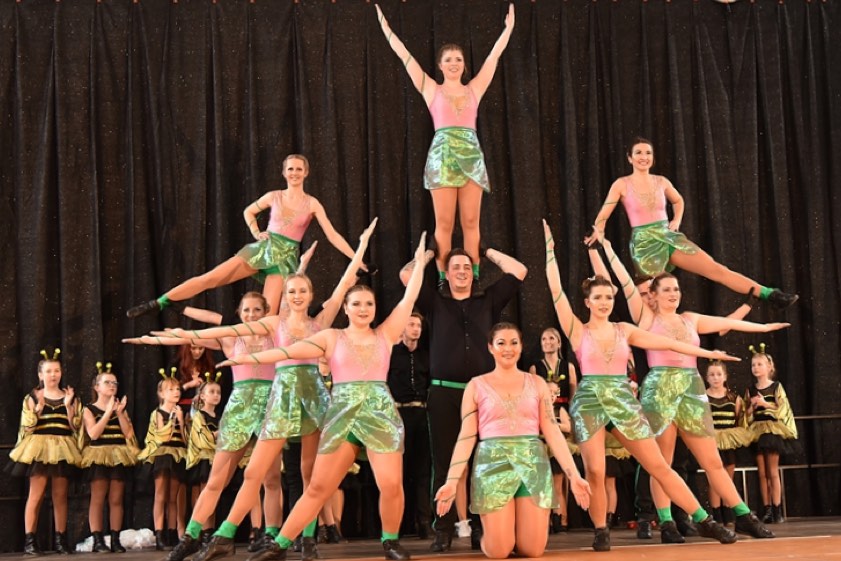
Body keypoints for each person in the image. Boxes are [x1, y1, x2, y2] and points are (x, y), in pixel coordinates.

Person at [149, 220, 375, 561]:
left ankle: (306, 539)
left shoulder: (320, 322)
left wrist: (359, 249)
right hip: (276, 398)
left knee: (308, 473)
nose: (296, 295)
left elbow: (344, 285)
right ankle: (211, 535)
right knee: (247, 473)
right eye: (291, 291)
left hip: (312, 397)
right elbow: (216, 331)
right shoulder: (275, 324)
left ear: (311, 295)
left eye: (302, 291)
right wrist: (174, 335)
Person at [201, 232, 429, 561]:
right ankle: (280, 544)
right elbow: (288, 352)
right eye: (356, 304)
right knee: (319, 486)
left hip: (379, 413)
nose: (363, 308)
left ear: (375, 309)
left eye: (369, 304)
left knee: (392, 484)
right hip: (342, 414)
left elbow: (409, 298)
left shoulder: (386, 333)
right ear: (346, 308)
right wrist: (245, 359)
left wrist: (419, 264)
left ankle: (390, 542)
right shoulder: (331, 336)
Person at [543, 220, 739, 552]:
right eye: (598, 297)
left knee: (659, 465)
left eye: (609, 297)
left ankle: (705, 520)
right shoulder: (577, 330)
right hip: (590, 400)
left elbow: (671, 344)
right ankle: (601, 530)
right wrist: (550, 252)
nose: (605, 302)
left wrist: (709, 353)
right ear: (587, 302)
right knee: (595, 470)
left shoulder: (625, 329)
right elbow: (556, 292)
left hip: (622, 398)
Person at [596, 234, 783, 541]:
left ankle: (743, 516)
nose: (673, 293)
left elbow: (728, 323)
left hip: (692, 389)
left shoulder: (690, 319)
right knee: (663, 462)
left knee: (712, 461)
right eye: (666, 289)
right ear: (653, 295)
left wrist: (763, 327)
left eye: (677, 289)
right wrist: (606, 247)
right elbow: (625, 282)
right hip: (660, 390)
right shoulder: (645, 318)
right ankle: (667, 523)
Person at [398, 245, 527, 551]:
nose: (461, 271)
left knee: (484, 461)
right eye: (455, 267)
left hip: (484, 394)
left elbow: (519, 271)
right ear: (446, 273)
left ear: (474, 273)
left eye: (467, 267)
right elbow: (406, 274)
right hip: (445, 393)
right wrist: (430, 256)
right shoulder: (434, 301)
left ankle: (483, 527)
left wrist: (487, 251)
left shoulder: (488, 300)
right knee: (444, 462)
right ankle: (442, 529)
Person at [127, 154, 363, 318]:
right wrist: (256, 232)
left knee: (267, 316)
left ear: (306, 173)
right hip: (263, 249)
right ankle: (159, 302)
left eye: (298, 169)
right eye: (290, 169)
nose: (294, 173)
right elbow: (248, 211)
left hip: (285, 259)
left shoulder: (312, 203)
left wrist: (357, 260)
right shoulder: (273, 196)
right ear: (284, 172)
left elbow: (332, 235)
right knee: (210, 278)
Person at [376, 4, 515, 283]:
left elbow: (494, 56)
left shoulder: (475, 88)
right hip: (442, 157)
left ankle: (474, 276)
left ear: (464, 65)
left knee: (471, 222)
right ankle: (443, 277)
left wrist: (508, 29)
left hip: (471, 156)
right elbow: (405, 57)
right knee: (445, 223)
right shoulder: (431, 89)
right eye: (448, 59)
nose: (454, 63)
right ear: (440, 65)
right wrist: (386, 29)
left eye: (458, 59)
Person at [433, 323, 591, 558]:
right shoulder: (476, 385)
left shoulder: (537, 383)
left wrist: (574, 475)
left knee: (532, 550)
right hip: (492, 464)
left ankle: (517, 534)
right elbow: (466, 436)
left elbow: (552, 431)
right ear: (490, 347)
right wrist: (451, 481)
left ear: (521, 346)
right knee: (499, 551)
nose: (508, 348)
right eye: (501, 343)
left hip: (532, 463)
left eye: (514, 342)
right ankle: (495, 537)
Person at [584, 138, 797, 308]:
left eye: (648, 153)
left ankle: (770, 295)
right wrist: (598, 232)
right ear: (629, 158)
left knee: (716, 269)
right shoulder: (621, 184)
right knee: (656, 297)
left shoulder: (661, 181)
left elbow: (678, 201)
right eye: (638, 153)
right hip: (645, 244)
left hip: (668, 236)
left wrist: (676, 220)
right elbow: (603, 215)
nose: (644, 157)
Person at [9, 349, 82, 556]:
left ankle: (61, 540)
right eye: (48, 371)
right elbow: (28, 427)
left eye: (56, 371)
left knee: (60, 496)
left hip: (62, 448)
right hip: (40, 448)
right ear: (40, 374)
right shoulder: (33, 397)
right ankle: (30, 541)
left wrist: (68, 407)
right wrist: (39, 407)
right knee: (36, 495)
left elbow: (76, 427)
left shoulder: (71, 397)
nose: (53, 375)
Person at [80, 363, 139, 553]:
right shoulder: (89, 409)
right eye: (107, 382)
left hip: (118, 455)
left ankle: (115, 538)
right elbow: (93, 434)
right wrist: (107, 413)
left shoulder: (120, 408)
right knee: (98, 498)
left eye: (114, 383)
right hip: (99, 455)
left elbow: (128, 434)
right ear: (97, 387)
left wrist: (119, 413)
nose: (112, 386)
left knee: (116, 499)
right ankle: (98, 540)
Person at [386, 312, 432, 539]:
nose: (415, 329)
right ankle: (400, 523)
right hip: (399, 413)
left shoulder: (426, 355)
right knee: (400, 470)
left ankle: (424, 521)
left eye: (418, 325)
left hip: (421, 412)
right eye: (411, 324)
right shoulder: (392, 353)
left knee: (423, 470)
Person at [528, 327, 578, 532]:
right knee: (544, 475)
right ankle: (546, 518)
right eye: (544, 339)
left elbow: (573, 392)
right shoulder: (535, 368)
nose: (547, 342)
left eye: (551, 338)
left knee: (560, 475)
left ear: (559, 342)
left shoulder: (568, 366)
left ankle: (562, 517)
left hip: (562, 413)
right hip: (543, 416)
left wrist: (570, 419)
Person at [745, 344, 798, 524]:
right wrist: (752, 407)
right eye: (753, 365)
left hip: (772, 430)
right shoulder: (751, 389)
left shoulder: (776, 386)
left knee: (773, 471)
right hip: (757, 431)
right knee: (762, 473)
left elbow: (783, 408)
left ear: (769, 367)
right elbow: (746, 415)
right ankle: (767, 509)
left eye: (759, 364)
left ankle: (777, 509)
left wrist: (765, 404)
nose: (756, 368)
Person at [138, 372, 188, 550]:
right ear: (161, 393)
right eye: (171, 390)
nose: (176, 392)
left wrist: (181, 421)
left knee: (173, 497)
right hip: (163, 455)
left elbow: (185, 440)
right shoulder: (158, 413)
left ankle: (172, 534)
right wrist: (173, 420)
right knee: (160, 495)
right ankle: (159, 534)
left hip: (177, 454)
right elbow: (162, 435)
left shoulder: (181, 412)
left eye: (177, 389)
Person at [705, 361, 753, 525]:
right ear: (706, 378)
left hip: (729, 440)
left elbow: (740, 419)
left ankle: (728, 511)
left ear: (725, 377)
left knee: (727, 477)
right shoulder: (703, 398)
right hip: (712, 441)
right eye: (712, 375)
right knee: (713, 478)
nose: (715, 378)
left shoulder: (734, 398)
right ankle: (716, 512)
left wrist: (750, 411)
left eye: (719, 374)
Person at [185, 375, 224, 544]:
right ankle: (199, 531)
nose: (216, 395)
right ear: (202, 396)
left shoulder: (221, 417)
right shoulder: (199, 416)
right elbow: (201, 438)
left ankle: (209, 531)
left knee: (214, 496)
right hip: (203, 460)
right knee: (204, 495)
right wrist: (218, 434)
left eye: (218, 392)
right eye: (212, 392)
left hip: (217, 459)